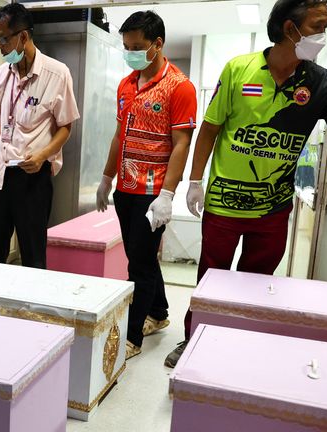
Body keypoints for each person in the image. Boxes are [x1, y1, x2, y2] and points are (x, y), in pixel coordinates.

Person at [165, 0, 327, 368]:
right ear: (290, 29)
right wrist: (194, 181)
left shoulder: (320, 82)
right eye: (318, 26)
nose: (323, 34)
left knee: (259, 284)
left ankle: (242, 346)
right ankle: (194, 340)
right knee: (211, 280)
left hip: (272, 209)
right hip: (224, 204)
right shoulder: (239, 69)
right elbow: (210, 128)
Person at [96, 11, 197, 359]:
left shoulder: (180, 86)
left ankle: (133, 334)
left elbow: (181, 143)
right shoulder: (126, 84)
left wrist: (168, 195)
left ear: (157, 44)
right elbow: (119, 134)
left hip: (153, 193)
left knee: (137, 264)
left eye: (137, 46)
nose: (131, 53)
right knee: (141, 255)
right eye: (126, 47)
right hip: (125, 188)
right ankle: (159, 312)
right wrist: (107, 178)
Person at [0, 3, 80, 269]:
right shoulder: (1, 73)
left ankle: (31, 309)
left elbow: (66, 126)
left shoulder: (57, 73)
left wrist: (43, 156)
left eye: (3, 38)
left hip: (32, 176)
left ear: (23, 36)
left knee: (32, 254)